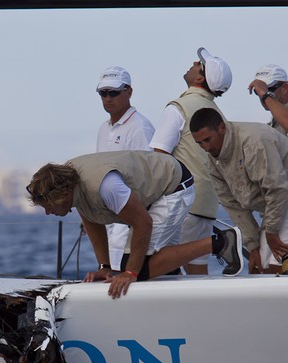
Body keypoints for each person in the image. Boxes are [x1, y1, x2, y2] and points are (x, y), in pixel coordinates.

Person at [26, 151, 243, 299]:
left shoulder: (105, 186)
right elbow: (92, 219)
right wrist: (105, 267)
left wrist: (130, 273)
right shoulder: (74, 186)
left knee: (139, 268)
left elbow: (143, 223)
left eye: (49, 205)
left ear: (64, 193)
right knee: (136, 264)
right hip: (151, 196)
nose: (48, 212)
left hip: (173, 187)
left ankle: (220, 242)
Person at [189, 107, 288, 274]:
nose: (205, 148)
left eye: (208, 140)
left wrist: (271, 233)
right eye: (199, 143)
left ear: (222, 128)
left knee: (283, 266)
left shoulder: (253, 142)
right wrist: (252, 246)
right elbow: (233, 206)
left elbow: (278, 188)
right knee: (259, 267)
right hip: (274, 203)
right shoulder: (213, 162)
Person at [150, 47, 233, 275]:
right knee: (198, 271)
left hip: (181, 205)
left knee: (159, 266)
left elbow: (159, 160)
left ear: (199, 77)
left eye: (198, 64)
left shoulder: (179, 108)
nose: (194, 63)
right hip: (207, 204)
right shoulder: (217, 113)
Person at [95, 66, 155, 271]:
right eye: (103, 93)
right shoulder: (104, 129)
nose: (108, 98)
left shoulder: (140, 127)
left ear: (128, 91)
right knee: (114, 271)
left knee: (131, 272)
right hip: (112, 218)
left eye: (113, 92)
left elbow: (150, 177)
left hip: (132, 218)